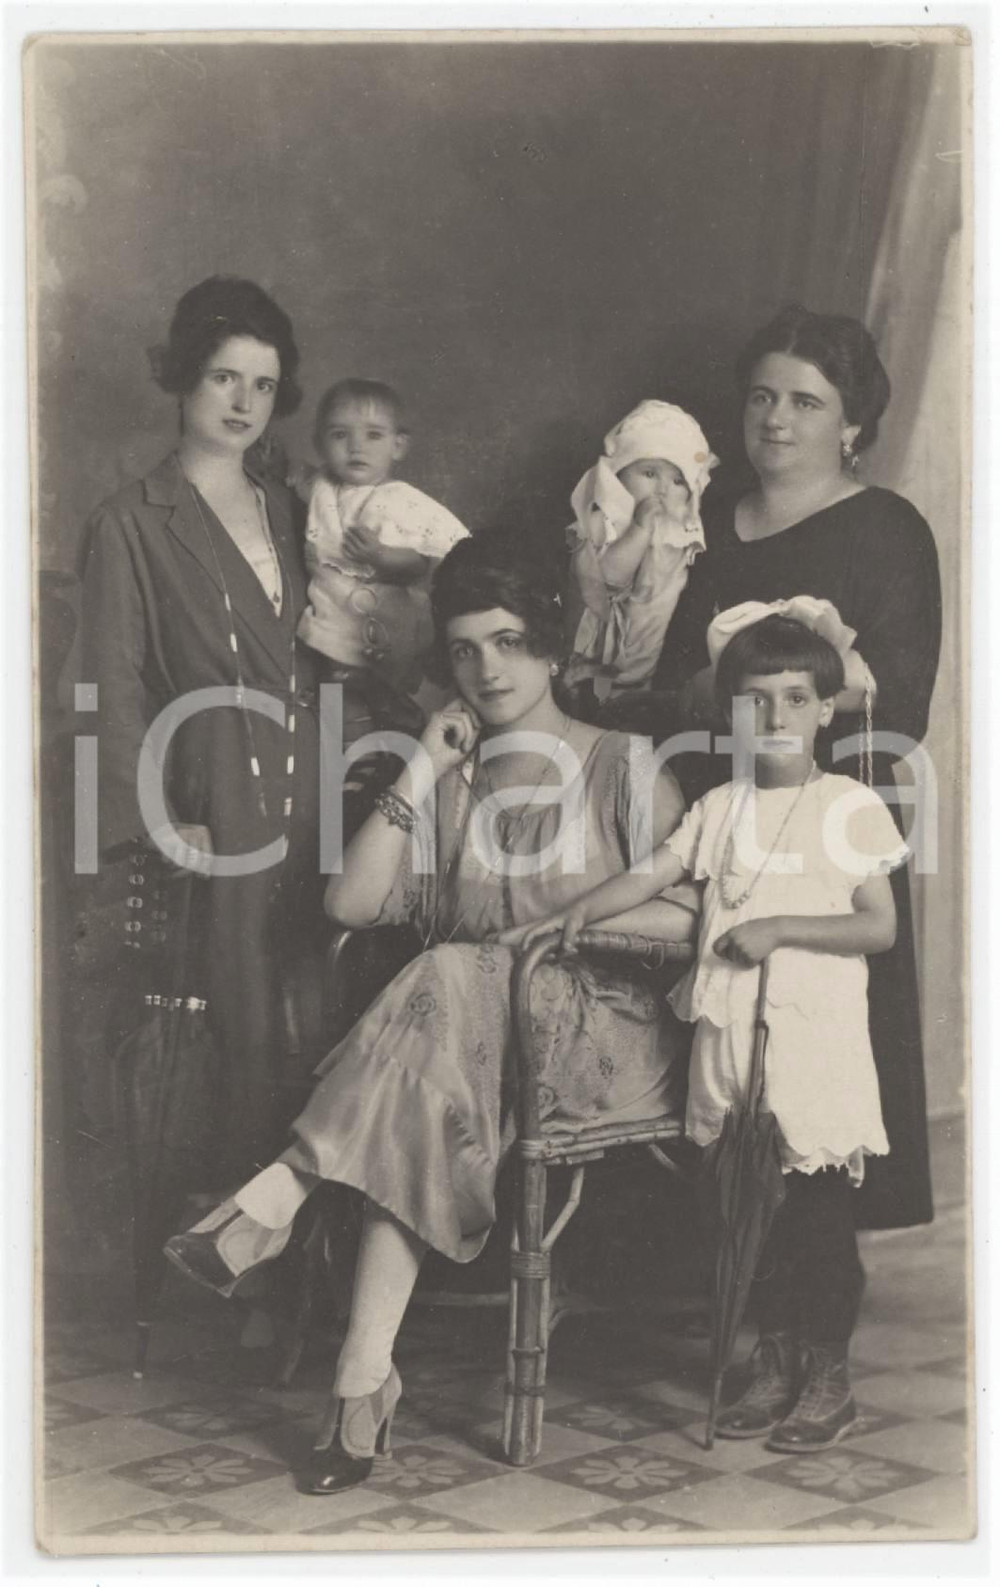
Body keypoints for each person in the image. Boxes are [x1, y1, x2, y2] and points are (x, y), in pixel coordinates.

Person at [165, 534, 697, 1494]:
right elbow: (349, 905)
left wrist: (562, 923)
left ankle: (279, 1199)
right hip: (464, 1048)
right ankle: (361, 1379)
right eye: (463, 649)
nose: (487, 668)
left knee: (447, 981)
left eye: (508, 642)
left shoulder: (623, 764)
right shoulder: (452, 785)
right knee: (434, 1039)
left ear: (550, 647)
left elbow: (692, 913)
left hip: (605, 1034)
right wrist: (418, 767)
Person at [516, 612, 908, 1452]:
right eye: (753, 700)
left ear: (825, 709)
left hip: (814, 1054)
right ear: (726, 711)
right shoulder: (720, 807)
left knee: (815, 1222)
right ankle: (771, 1364)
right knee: (746, 1217)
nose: (773, 719)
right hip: (731, 1052)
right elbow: (654, 873)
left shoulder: (848, 805)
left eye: (795, 699)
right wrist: (580, 910)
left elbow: (878, 926)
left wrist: (779, 928)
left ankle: (826, 1375)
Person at [655, 305, 942, 1231]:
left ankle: (816, 1326)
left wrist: (782, 686)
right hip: (726, 811)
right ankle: (734, 1295)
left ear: (852, 424)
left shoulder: (887, 528)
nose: (776, 418)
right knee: (723, 1058)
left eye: (807, 402)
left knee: (820, 1063)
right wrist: (719, 686)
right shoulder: (711, 528)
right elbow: (670, 688)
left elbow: (898, 695)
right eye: (762, 396)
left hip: (832, 816)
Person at [78, 275, 325, 1188]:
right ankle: (240, 1258)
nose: (243, 403)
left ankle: (319, 1260)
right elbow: (105, 687)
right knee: (249, 1016)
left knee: (328, 997)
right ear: (184, 378)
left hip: (322, 779)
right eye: (224, 378)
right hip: (217, 791)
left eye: (263, 386)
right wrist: (155, 822)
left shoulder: (293, 509)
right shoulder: (129, 522)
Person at [296, 378, 469, 725]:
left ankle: (387, 703)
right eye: (340, 435)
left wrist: (381, 555)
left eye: (373, 435)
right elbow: (293, 479)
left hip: (382, 611)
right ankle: (343, 713)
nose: (356, 447)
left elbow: (418, 566)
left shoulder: (399, 500)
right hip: (335, 606)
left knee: (378, 667)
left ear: (398, 445)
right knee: (333, 674)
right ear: (319, 443)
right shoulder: (322, 485)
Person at [564, 399, 716, 704]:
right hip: (598, 646)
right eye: (649, 474)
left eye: (677, 481)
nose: (662, 490)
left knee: (634, 699)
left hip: (648, 648)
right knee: (592, 695)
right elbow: (607, 580)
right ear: (618, 474)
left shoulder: (681, 528)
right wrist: (639, 530)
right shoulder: (604, 520)